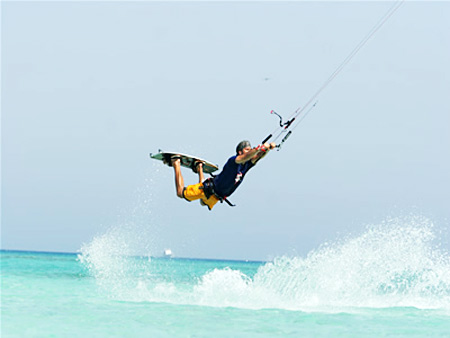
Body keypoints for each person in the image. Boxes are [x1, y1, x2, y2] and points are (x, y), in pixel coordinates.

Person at [166, 140, 276, 210]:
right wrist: (259, 149)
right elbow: (250, 155)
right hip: (207, 189)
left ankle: (199, 167)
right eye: (247, 149)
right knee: (180, 193)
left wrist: (268, 149)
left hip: (215, 197)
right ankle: (176, 162)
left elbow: (257, 157)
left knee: (203, 203)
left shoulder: (246, 165)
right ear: (240, 152)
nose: (250, 151)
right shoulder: (234, 161)